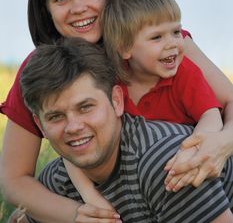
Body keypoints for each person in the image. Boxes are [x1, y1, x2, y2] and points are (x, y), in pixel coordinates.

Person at [0, 0, 233, 222]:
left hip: (189, 180)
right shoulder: (42, 76)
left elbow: (228, 102)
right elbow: (14, 179)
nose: (78, 7)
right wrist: (75, 215)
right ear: (46, 10)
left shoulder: (160, 46)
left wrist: (221, 144)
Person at [20, 37, 233, 223]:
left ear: (117, 101)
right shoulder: (56, 183)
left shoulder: (167, 164)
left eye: (86, 107)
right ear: (40, 126)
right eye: (56, 117)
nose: (73, 127)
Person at [101, 0, 225, 191]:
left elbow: (211, 115)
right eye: (157, 37)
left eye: (176, 32)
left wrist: (192, 148)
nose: (173, 44)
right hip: (142, 174)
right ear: (125, 48)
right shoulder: (113, 82)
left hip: (189, 164)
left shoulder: (184, 74)